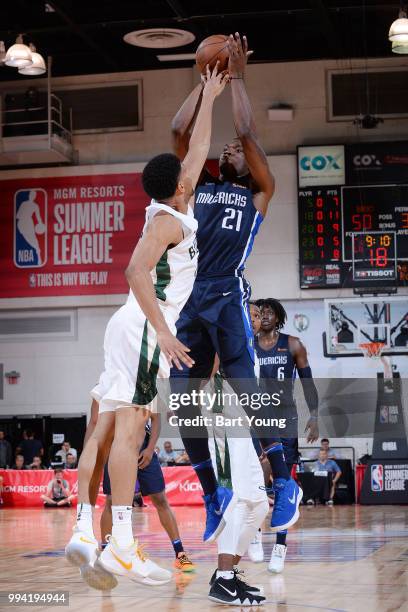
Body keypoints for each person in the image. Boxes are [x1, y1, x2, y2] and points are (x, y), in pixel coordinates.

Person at [65, 66, 228, 590]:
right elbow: (135, 272)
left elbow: (198, 146)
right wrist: (162, 330)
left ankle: (90, 533)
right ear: (180, 183)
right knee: (130, 429)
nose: (194, 168)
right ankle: (123, 545)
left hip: (128, 323)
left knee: (107, 426)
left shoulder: (174, 206)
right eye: (188, 170)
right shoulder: (166, 221)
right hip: (141, 325)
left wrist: (210, 94)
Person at [170, 34, 301, 582]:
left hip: (227, 296)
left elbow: (246, 131)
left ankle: (285, 483)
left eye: (236, 152)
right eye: (222, 148)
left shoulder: (260, 192)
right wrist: (204, 87)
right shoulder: (200, 182)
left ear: (248, 164)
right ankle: (211, 490)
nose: (228, 148)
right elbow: (179, 133)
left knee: (248, 394)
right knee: (182, 399)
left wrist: (239, 79)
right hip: (190, 295)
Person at [249, 297, 319, 574]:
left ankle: (280, 546)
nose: (264, 316)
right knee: (254, 476)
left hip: (284, 417)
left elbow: (308, 382)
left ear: (278, 318)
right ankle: (254, 533)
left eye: (269, 312)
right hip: (254, 415)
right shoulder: (247, 343)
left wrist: (315, 416)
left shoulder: (293, 344)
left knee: (283, 483)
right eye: (260, 312)